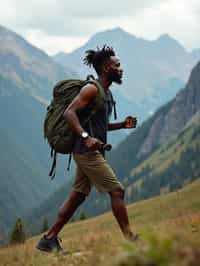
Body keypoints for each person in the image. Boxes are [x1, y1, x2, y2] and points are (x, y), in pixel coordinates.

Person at [36, 45, 138, 253]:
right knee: (117, 191)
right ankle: (131, 239)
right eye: (117, 65)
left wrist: (122, 125)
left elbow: (99, 126)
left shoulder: (106, 93)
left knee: (78, 196)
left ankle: (48, 239)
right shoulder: (91, 89)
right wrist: (85, 137)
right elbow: (69, 113)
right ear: (106, 68)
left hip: (92, 151)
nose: (121, 69)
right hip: (86, 152)